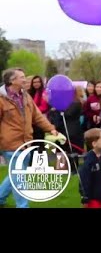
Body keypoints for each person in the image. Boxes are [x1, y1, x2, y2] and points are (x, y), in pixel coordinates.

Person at [0, 68, 58, 208]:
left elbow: (37, 116)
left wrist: (50, 128)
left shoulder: (26, 96)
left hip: (26, 143)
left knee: (17, 174)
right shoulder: (1, 99)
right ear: (11, 81)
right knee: (19, 176)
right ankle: (23, 205)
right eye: (21, 77)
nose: (25, 80)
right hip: (10, 144)